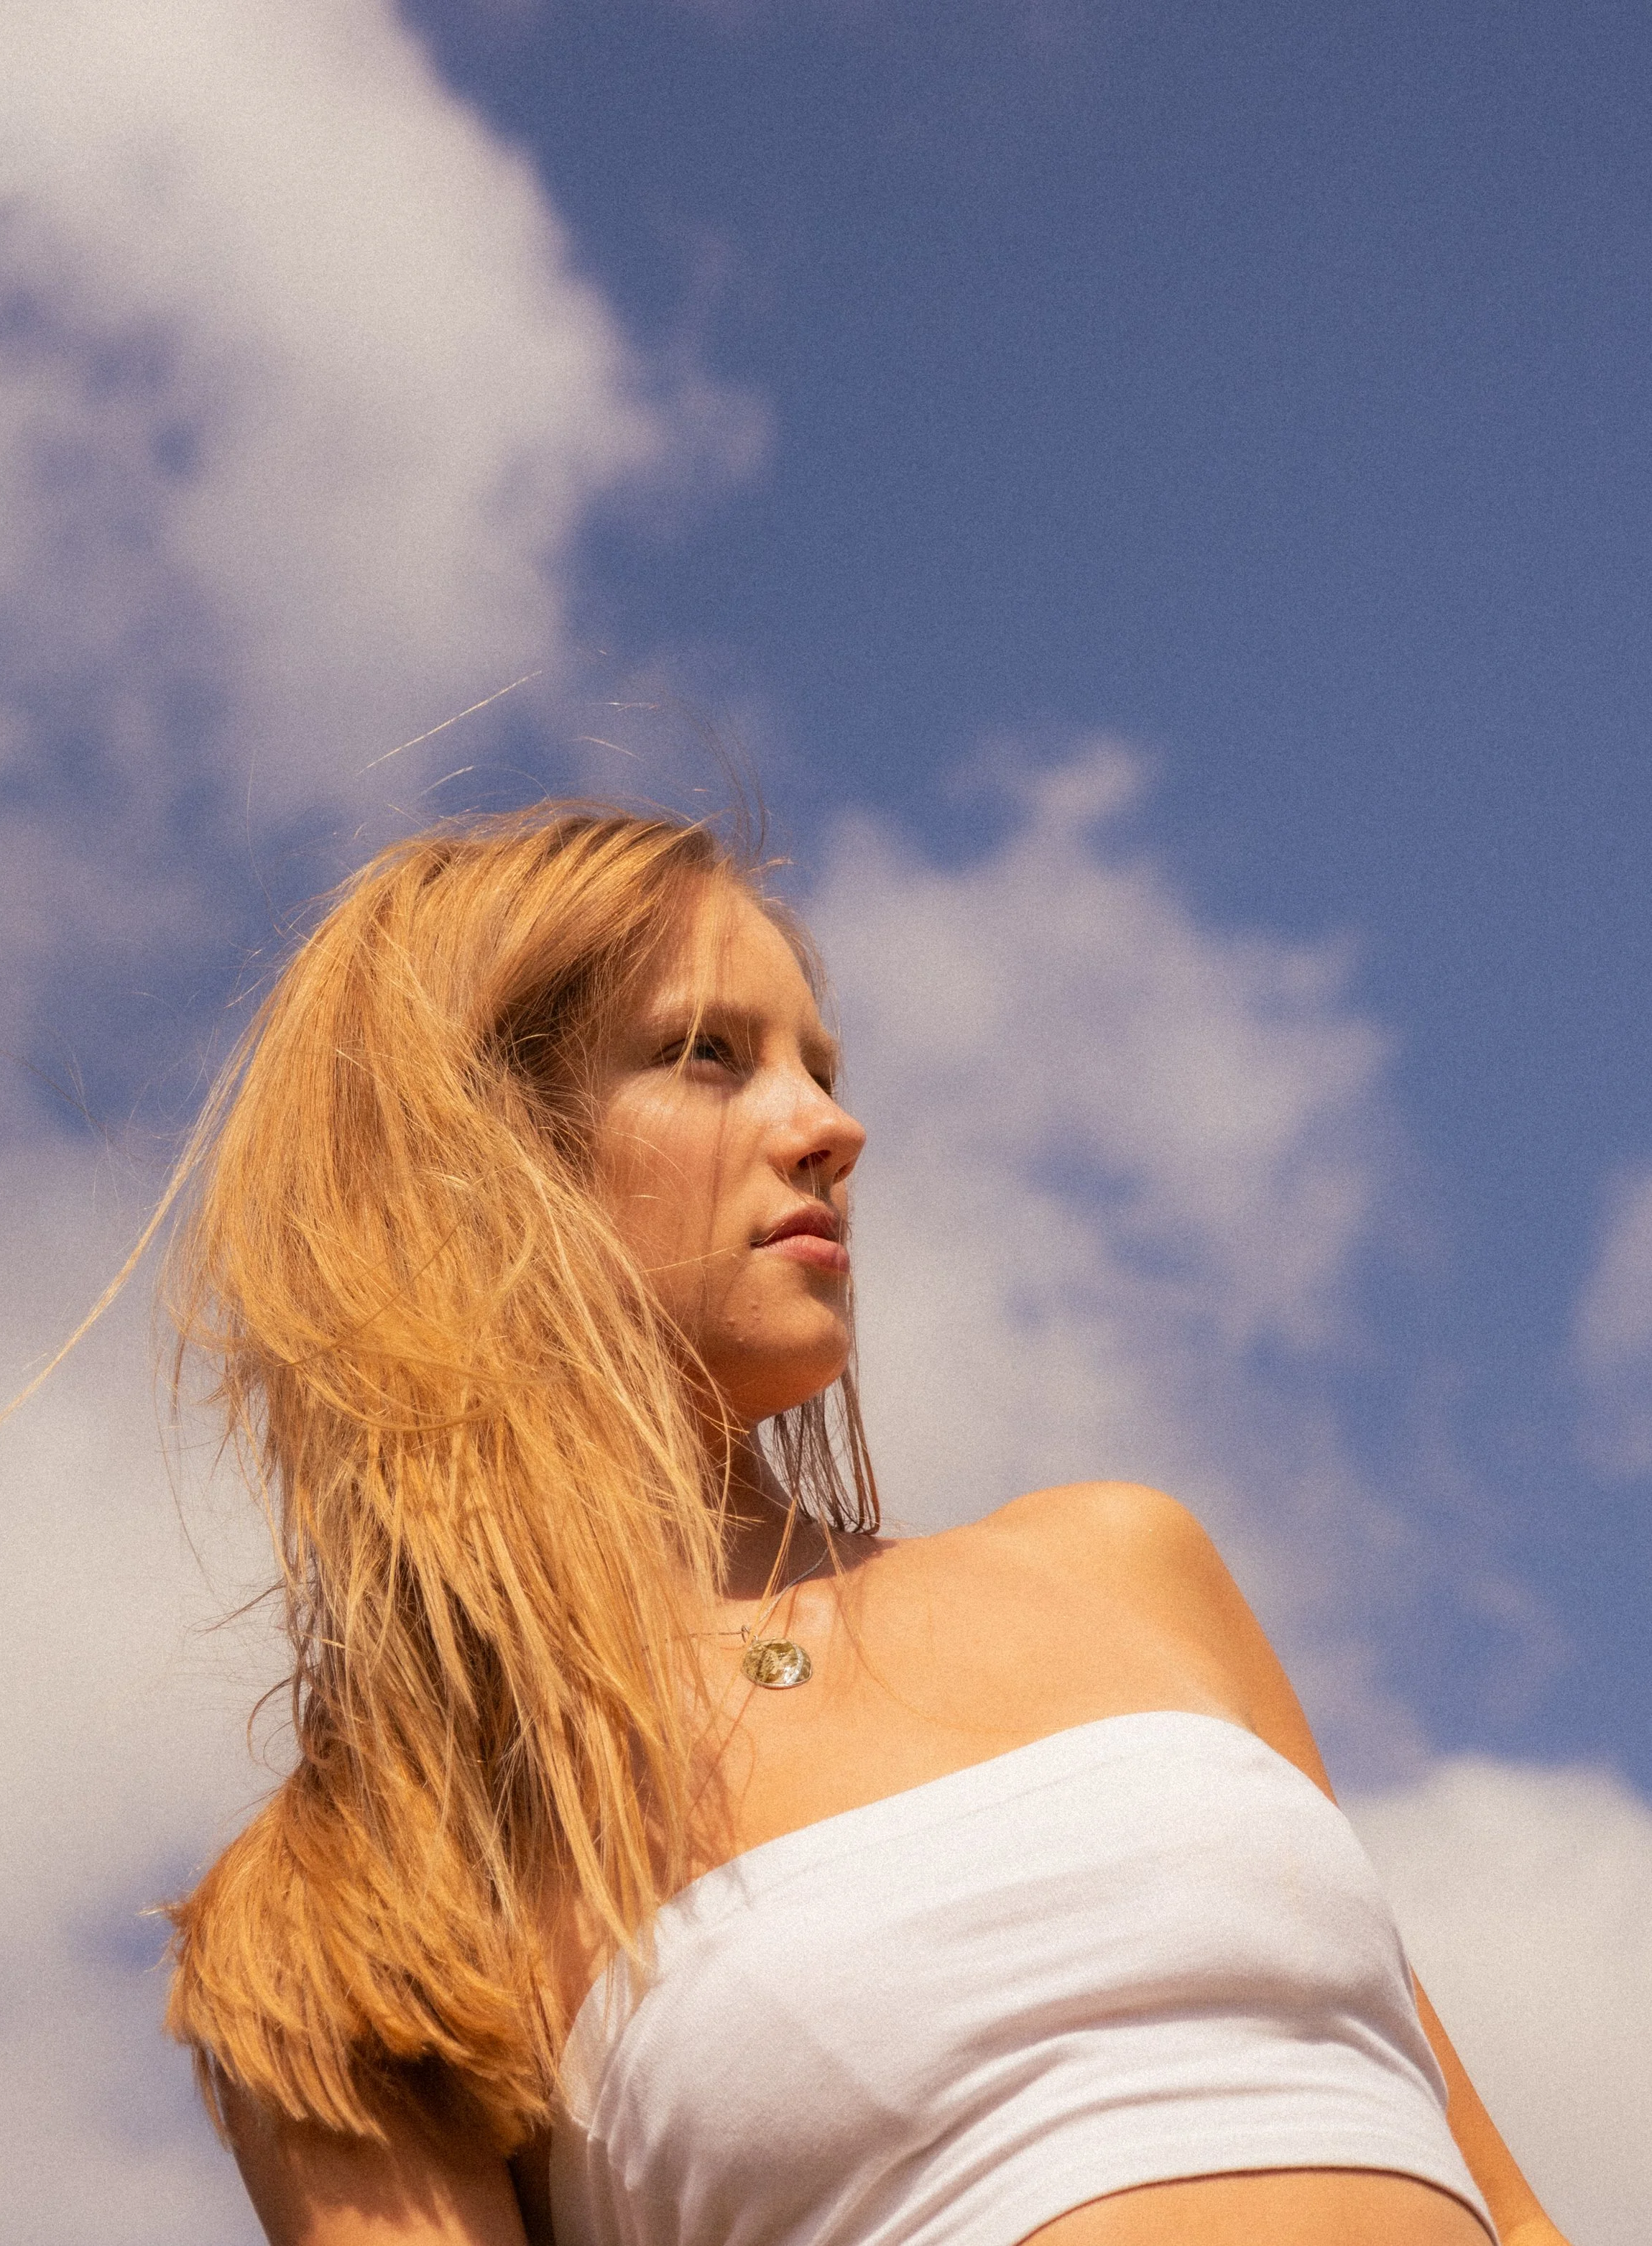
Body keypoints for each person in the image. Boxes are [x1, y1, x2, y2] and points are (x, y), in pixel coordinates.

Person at [162, 804, 1569, 2246]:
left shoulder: (1122, 1562)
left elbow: (1508, 2211)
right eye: (707, 1054)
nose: (830, 1128)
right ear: (473, 1152)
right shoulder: (356, 1895)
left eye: (816, 1067)